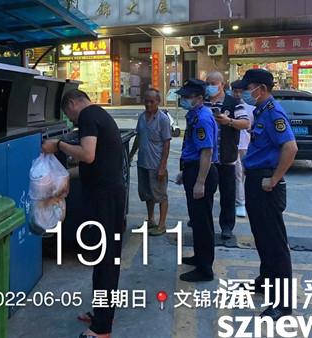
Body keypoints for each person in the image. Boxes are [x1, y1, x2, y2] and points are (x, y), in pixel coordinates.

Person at [42, 89, 123, 338]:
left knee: (106, 259)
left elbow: (87, 155)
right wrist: (63, 178)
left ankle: (102, 328)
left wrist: (58, 145)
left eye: (69, 115)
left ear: (73, 103)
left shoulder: (88, 115)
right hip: (109, 195)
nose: (71, 120)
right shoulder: (99, 115)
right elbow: (94, 164)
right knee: (103, 258)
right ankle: (102, 313)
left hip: (105, 199)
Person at [241, 69, 298, 320]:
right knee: (261, 237)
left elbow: (290, 147)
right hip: (255, 180)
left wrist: (274, 179)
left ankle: (283, 303)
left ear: (261, 89)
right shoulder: (261, 111)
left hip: (266, 184)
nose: (244, 93)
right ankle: (265, 280)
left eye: (248, 88)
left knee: (275, 243)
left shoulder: (274, 113)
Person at [175, 79, 219, 282]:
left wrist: (200, 182)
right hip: (193, 169)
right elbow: (192, 148)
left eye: (187, 97)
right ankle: (199, 257)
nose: (183, 100)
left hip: (203, 172)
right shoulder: (194, 115)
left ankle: (205, 268)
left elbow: (206, 151)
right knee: (197, 219)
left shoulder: (202, 119)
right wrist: (185, 172)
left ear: (199, 98)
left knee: (202, 222)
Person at [204, 71, 250, 239]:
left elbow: (246, 123)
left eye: (213, 83)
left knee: (227, 195)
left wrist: (229, 121)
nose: (210, 87)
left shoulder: (233, 103)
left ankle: (227, 226)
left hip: (227, 157)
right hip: (207, 158)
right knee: (205, 194)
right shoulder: (203, 102)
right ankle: (203, 225)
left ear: (222, 85)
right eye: (208, 83)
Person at [129, 89, 171, 236]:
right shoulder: (141, 117)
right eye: (146, 101)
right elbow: (138, 138)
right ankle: (151, 219)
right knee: (147, 194)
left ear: (158, 102)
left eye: (151, 101)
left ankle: (162, 224)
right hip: (143, 163)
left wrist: (162, 167)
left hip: (156, 164)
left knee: (161, 195)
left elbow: (166, 143)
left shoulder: (163, 119)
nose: (148, 104)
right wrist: (131, 155)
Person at [231, 79, 255, 218]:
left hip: (246, 146)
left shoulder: (251, 109)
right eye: (235, 91)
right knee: (237, 174)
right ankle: (240, 203)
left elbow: (253, 128)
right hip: (233, 146)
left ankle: (240, 198)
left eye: (241, 92)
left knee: (243, 174)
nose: (238, 94)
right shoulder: (229, 106)